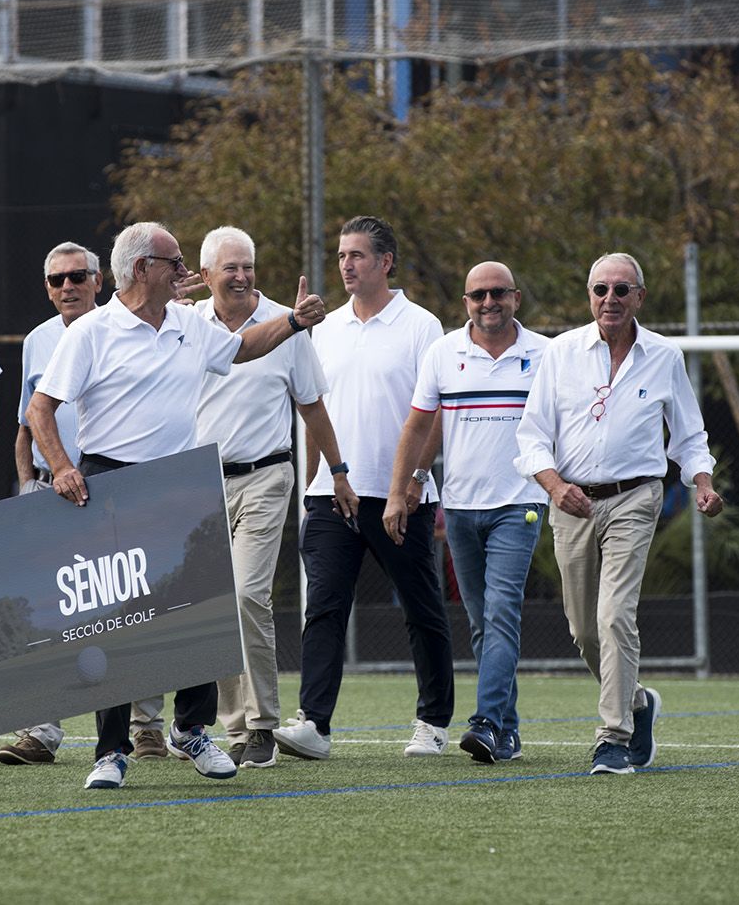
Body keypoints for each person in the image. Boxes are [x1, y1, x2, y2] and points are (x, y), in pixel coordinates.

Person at [26, 220, 325, 790]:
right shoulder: (91, 332)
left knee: (197, 615)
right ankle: (110, 753)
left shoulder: (190, 323)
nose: (185, 271)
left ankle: (192, 731)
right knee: (114, 624)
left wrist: (292, 321)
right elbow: (42, 408)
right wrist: (62, 468)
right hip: (110, 483)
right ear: (142, 269)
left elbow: (243, 349)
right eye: (174, 261)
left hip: (183, 483)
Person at [515, 251, 723, 775]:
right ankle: (637, 703)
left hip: (636, 497)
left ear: (640, 297)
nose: (611, 299)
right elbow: (531, 437)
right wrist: (555, 486)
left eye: (622, 289)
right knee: (584, 630)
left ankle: (613, 737)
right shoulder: (560, 353)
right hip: (572, 502)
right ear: (590, 296)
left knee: (615, 616)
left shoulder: (664, 357)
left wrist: (703, 483)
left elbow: (690, 435)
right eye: (601, 289)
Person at [273, 215, 456, 761]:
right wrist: (312, 486)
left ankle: (433, 722)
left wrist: (415, 482)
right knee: (324, 608)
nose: (346, 265)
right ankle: (315, 725)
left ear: (385, 262)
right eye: (341, 256)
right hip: (333, 495)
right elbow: (314, 413)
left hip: (403, 497)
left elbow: (435, 413)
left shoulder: (422, 326)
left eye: (356, 255)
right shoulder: (323, 329)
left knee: (422, 610)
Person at [193, 226, 357, 768]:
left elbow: (311, 407)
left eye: (248, 266)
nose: (241, 276)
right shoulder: (185, 325)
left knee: (246, 595)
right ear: (207, 274)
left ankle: (262, 724)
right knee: (215, 605)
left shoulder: (291, 321)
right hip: (199, 483)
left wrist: (336, 472)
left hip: (267, 476)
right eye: (230, 268)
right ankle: (232, 727)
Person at [383, 262, 549, 764]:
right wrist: (402, 488)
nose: (488, 302)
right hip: (459, 508)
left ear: (515, 297)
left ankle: (486, 723)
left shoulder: (546, 354)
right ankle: (510, 730)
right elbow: (418, 428)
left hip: (519, 504)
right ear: (465, 303)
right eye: (478, 294)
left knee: (501, 613)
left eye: (498, 292)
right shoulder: (443, 352)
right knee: (481, 622)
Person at [0, 240, 104, 766]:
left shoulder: (121, 328)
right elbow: (25, 425)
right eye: (58, 279)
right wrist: (25, 488)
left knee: (126, 605)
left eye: (78, 276)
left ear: (98, 282)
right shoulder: (37, 341)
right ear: (47, 287)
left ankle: (148, 729)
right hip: (47, 486)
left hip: (110, 485)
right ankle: (40, 731)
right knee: (37, 611)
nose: (68, 286)